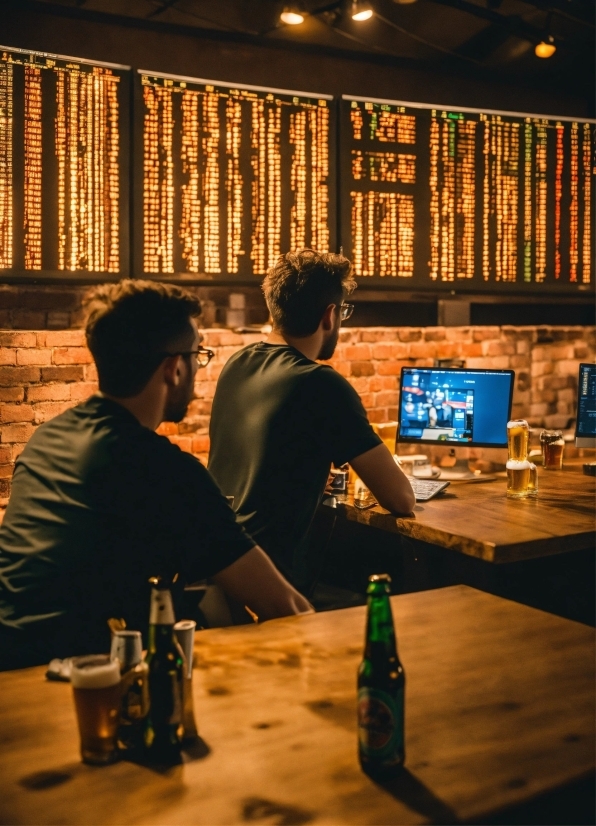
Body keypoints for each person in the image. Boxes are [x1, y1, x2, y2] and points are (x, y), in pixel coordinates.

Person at [0, 280, 311, 671]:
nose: (198, 367)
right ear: (174, 368)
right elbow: (286, 607)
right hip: (80, 683)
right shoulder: (167, 472)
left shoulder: (46, 440)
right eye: (198, 355)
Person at [208, 249, 415, 594]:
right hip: (275, 583)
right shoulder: (320, 383)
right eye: (344, 311)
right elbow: (402, 498)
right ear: (330, 315)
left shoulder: (238, 364)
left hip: (224, 564)